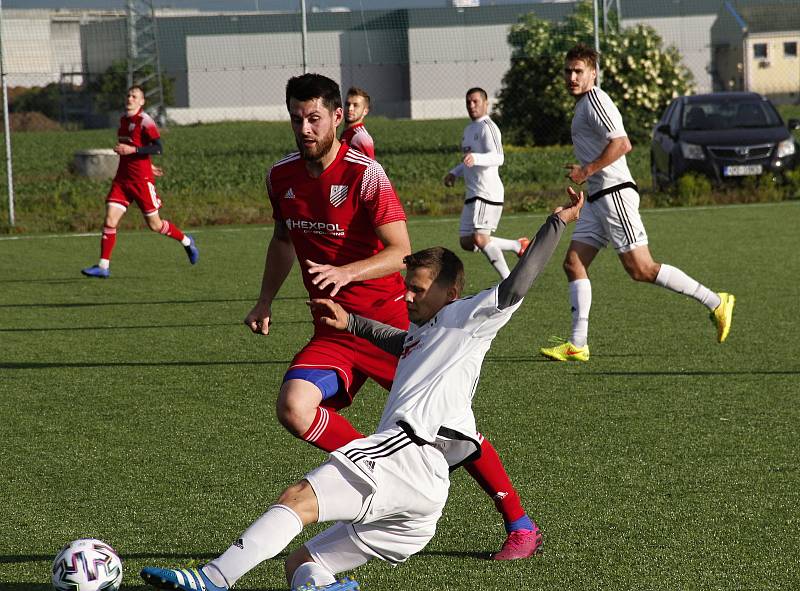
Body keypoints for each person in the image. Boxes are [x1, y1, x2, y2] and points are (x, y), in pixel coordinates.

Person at [139, 188, 584, 591]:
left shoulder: (468, 316)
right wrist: (349, 322)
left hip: (409, 454)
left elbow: (518, 283)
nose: (407, 298)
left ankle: (211, 579)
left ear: (450, 292)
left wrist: (556, 222)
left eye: (418, 290)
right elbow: (400, 341)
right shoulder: (425, 331)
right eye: (406, 289)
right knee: (301, 564)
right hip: (422, 504)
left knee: (297, 499)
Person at [245, 72, 540, 560]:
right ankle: (378, 471)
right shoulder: (281, 176)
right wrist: (264, 300)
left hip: (392, 327)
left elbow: (401, 250)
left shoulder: (365, 174)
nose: (305, 128)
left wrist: (346, 271)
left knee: (450, 430)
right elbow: (282, 241)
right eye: (297, 118)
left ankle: (521, 523)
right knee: (293, 408)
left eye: (315, 117)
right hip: (334, 328)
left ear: (338, 117)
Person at [539, 44, 735, 362]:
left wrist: (586, 171)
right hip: (599, 197)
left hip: (615, 194)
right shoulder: (582, 106)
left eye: (578, 71)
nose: (572, 76)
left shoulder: (595, 100)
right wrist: (587, 185)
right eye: (568, 71)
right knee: (573, 264)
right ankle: (578, 343)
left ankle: (715, 302)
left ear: (593, 73)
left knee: (641, 269)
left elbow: (622, 143)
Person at [81, 86, 198, 278]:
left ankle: (187, 241)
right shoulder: (123, 120)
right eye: (128, 95)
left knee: (155, 225)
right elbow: (136, 149)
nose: (130, 98)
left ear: (142, 101)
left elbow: (158, 148)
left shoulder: (145, 121)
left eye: (134, 96)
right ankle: (103, 266)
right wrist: (144, 162)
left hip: (141, 182)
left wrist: (134, 154)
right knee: (110, 219)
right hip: (122, 180)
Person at [444, 87, 528, 280]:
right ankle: (517, 245)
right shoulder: (468, 130)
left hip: (487, 192)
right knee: (467, 241)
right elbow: (469, 161)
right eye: (468, 102)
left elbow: (499, 157)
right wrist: (454, 173)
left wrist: (476, 158)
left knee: (481, 238)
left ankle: (509, 281)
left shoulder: (488, 127)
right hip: (472, 194)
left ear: (485, 103)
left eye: (476, 101)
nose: (471, 106)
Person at [339, 86, 375, 158]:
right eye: (347, 104)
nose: (350, 108)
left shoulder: (361, 137)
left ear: (365, 111)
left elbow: (368, 168)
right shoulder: (347, 132)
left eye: (355, 105)